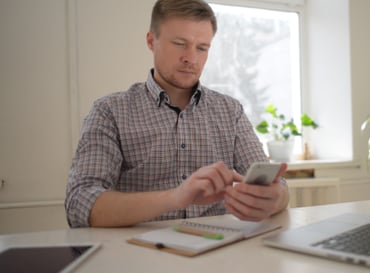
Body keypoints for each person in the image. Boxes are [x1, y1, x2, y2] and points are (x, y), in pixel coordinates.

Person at [65, 0, 289, 228]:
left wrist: (275, 199)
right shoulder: (110, 111)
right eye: (180, 44)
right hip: (139, 253)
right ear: (152, 41)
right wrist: (176, 197)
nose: (191, 58)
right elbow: (80, 204)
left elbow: (278, 187)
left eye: (202, 48)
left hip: (219, 250)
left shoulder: (230, 111)